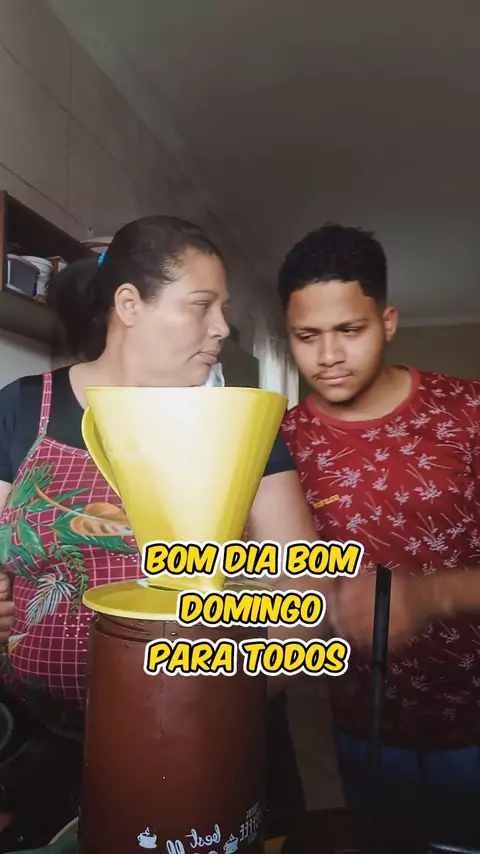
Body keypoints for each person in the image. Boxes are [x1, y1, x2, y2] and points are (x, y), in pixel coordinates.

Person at [0, 215, 317, 846]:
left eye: (223, 310)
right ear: (128, 305)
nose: (222, 328)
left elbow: (304, 600)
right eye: (202, 305)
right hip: (39, 751)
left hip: (207, 738)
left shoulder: (244, 426)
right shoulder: (20, 408)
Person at [277, 222, 480, 846]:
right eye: (307, 337)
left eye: (350, 330)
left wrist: (428, 595)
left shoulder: (468, 415)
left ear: (387, 322)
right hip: (359, 725)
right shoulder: (279, 445)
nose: (328, 356)